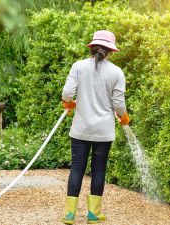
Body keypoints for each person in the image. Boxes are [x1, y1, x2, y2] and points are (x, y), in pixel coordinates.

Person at [61, 30, 130, 224]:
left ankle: (70, 214)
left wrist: (68, 103)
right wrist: (124, 117)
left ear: (92, 47)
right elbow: (118, 105)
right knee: (98, 170)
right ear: (111, 51)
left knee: (77, 169)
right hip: (103, 131)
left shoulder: (78, 66)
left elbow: (67, 93)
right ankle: (93, 214)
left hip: (80, 129)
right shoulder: (117, 72)